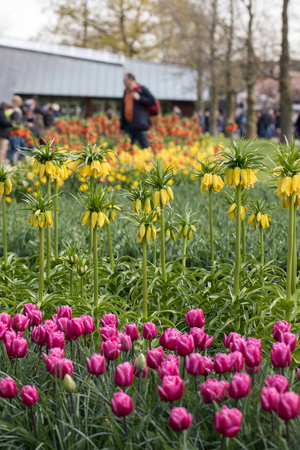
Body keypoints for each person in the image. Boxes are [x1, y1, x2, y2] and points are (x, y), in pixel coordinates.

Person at [120, 73, 155, 149]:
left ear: (131, 80)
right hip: (128, 125)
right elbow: (123, 109)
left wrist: (140, 99)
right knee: (127, 147)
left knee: (145, 145)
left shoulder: (141, 89)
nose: (123, 82)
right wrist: (122, 126)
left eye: (125, 80)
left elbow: (152, 100)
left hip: (140, 125)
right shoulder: (126, 92)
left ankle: (152, 160)